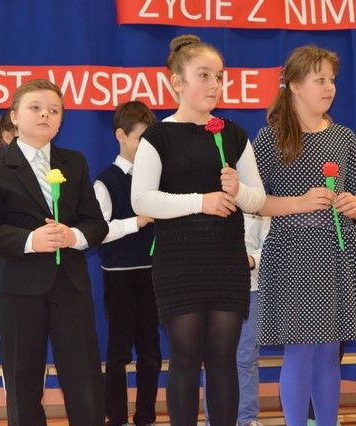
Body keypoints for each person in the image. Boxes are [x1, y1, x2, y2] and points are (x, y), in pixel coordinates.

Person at [131, 34, 266, 425]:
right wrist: (200, 202)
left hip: (226, 261)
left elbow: (258, 200)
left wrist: (238, 191)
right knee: (186, 357)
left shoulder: (233, 134)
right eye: (204, 75)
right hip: (179, 263)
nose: (214, 84)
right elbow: (142, 201)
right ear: (177, 82)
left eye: (219, 76)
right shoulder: (158, 137)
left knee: (224, 358)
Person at [251, 45, 356, 426]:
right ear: (294, 85)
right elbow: (254, 202)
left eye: (332, 80)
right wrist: (300, 202)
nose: (329, 88)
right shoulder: (270, 139)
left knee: (329, 351)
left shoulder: (344, 137)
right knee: (301, 350)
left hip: (338, 252)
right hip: (293, 255)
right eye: (319, 80)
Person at [0, 79, 108, 425]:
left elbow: (97, 224)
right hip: (18, 290)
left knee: (85, 381)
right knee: (23, 385)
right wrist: (31, 240)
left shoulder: (74, 162)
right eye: (35, 108)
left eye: (54, 110)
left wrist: (72, 235)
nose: (45, 115)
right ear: (14, 116)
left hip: (71, 287)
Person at [94, 100, 161, 426]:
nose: (147, 147)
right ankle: (117, 417)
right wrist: (137, 222)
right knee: (119, 351)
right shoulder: (105, 181)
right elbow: (98, 232)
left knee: (151, 351)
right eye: (140, 139)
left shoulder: (156, 178)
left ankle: (145, 416)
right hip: (119, 276)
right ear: (121, 135)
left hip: (153, 275)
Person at [203, 212, 270, 426]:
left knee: (247, 358)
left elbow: (270, 244)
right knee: (215, 358)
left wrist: (251, 260)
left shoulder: (259, 205)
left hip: (251, 289)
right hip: (214, 290)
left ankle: (247, 418)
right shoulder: (209, 202)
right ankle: (213, 419)